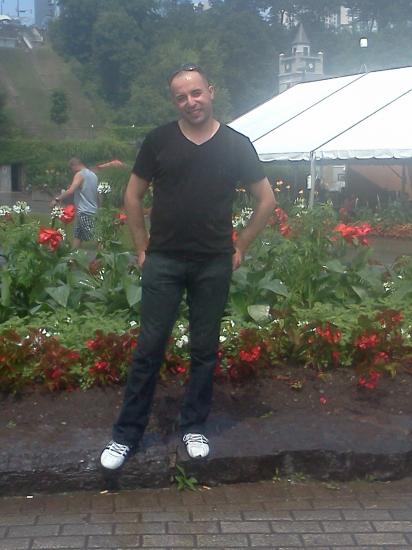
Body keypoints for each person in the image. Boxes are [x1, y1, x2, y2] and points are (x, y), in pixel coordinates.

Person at [100, 64, 276, 470]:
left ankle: (194, 425)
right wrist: (142, 247)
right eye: (181, 97)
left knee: (204, 348)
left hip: (213, 262)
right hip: (164, 260)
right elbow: (132, 195)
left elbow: (266, 200)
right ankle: (125, 435)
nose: (190, 102)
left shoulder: (236, 144)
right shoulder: (159, 141)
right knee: (149, 348)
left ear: (210, 91)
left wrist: (241, 246)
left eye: (196, 93)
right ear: (174, 101)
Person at [50, 157, 99, 249]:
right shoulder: (93, 175)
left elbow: (71, 190)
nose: (72, 171)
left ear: (74, 165)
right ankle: (72, 255)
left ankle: (106, 255)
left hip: (85, 211)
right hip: (91, 209)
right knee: (78, 236)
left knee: (97, 237)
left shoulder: (80, 174)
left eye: (71, 168)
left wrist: (57, 199)